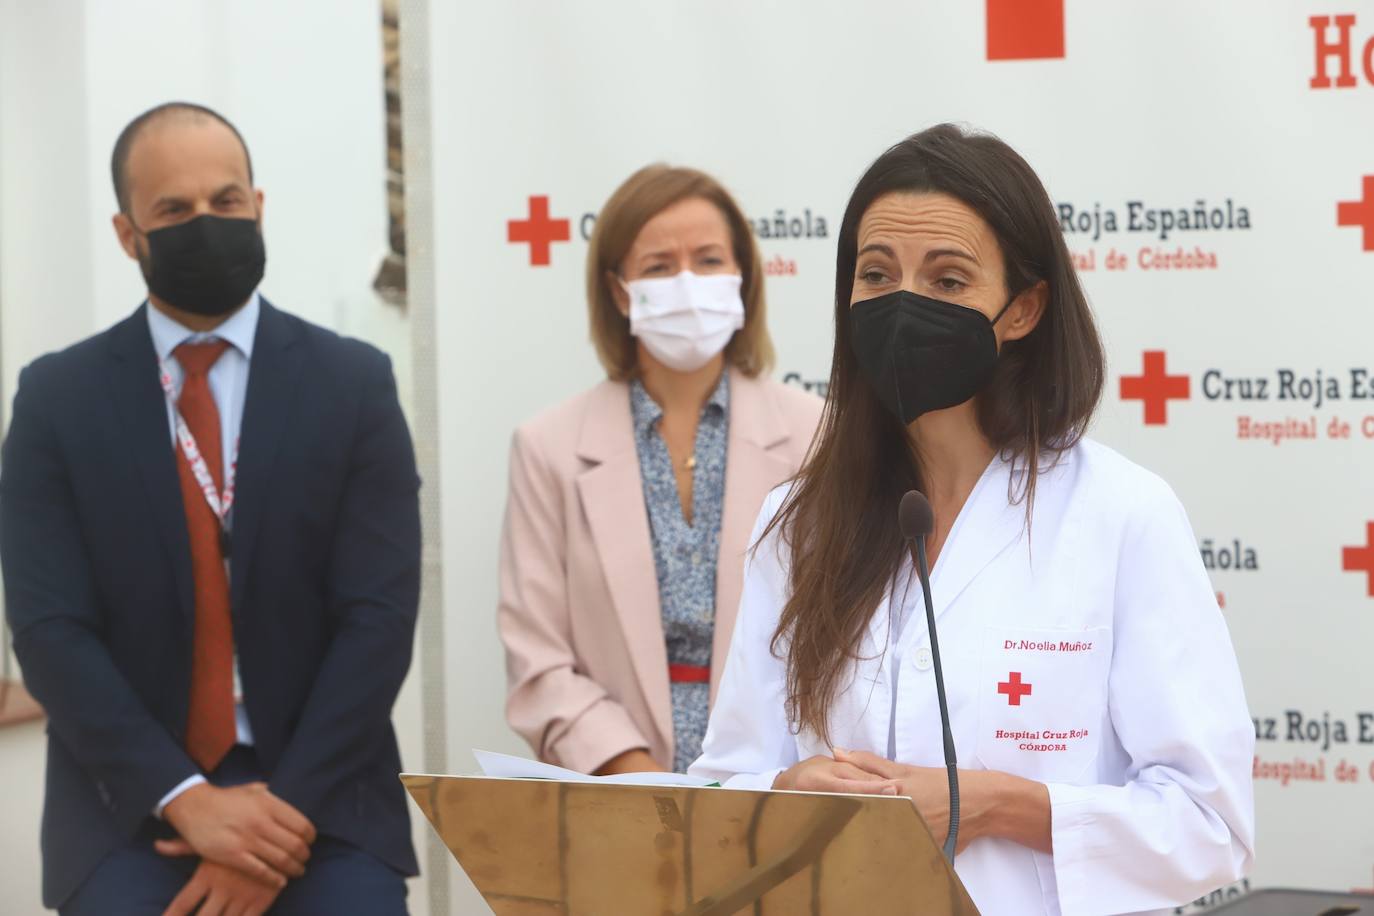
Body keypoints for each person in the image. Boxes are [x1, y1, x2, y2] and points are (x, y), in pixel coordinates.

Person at [690, 124, 1255, 915]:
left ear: (1022, 309)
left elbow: (1208, 824)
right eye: (876, 274)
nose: (903, 305)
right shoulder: (799, 522)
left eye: (949, 281)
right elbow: (721, 783)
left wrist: (995, 805)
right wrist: (783, 790)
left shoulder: (1122, 516)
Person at [0, 102, 420, 915]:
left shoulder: (353, 385)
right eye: (175, 211)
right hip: (130, 805)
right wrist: (187, 799)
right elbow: (49, 631)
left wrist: (272, 828)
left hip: (323, 799)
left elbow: (378, 617)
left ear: (259, 207)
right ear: (129, 235)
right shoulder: (57, 399)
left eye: (226, 202)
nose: (207, 223)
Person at [498, 165, 823, 776]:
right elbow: (537, 656)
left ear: (742, 279)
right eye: (658, 267)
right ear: (620, 292)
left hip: (781, 796)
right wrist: (637, 779)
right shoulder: (547, 448)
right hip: (615, 798)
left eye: (707, 260)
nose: (687, 283)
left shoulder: (817, 436)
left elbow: (847, 639)